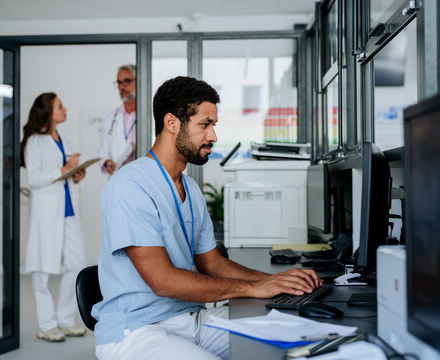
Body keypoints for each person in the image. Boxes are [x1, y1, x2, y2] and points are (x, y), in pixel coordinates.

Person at [92, 77, 322, 359]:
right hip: (137, 330)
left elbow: (212, 263)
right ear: (172, 123)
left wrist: (276, 281)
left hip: (190, 318)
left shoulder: (190, 189)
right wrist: (254, 287)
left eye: (214, 126)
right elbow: (163, 281)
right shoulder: (130, 185)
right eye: (205, 124)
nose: (213, 136)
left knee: (292, 334)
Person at [21, 92, 88, 342]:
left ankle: (65, 319)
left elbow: (66, 174)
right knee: (41, 269)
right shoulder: (34, 142)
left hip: (68, 212)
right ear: (49, 112)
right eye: (61, 106)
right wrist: (64, 169)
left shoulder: (64, 138)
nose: (65, 109)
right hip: (46, 214)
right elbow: (35, 179)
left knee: (77, 264)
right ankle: (47, 324)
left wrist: (76, 174)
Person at [97, 64, 137, 175]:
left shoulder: (148, 117)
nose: (121, 87)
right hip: (119, 177)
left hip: (142, 177)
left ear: (139, 81)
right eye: (119, 83)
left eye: (126, 81)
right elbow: (102, 153)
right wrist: (106, 162)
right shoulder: (110, 119)